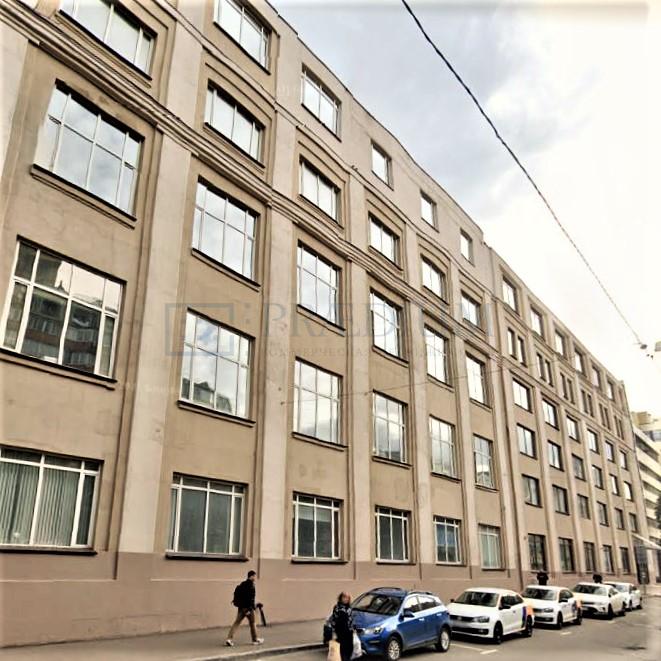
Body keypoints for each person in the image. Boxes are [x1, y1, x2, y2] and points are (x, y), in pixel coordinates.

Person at [225, 570, 264, 647]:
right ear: (251, 576)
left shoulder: (242, 584)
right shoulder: (251, 586)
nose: (255, 578)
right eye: (254, 576)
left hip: (241, 608)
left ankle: (229, 639)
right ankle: (255, 639)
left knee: (236, 623)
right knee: (252, 623)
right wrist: (251, 609)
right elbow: (250, 599)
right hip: (248, 608)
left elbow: (241, 597)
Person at [329, 592, 355, 661]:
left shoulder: (349, 608)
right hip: (340, 633)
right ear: (341, 598)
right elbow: (334, 620)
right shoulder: (337, 608)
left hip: (349, 632)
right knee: (342, 651)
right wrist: (334, 632)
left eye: (348, 597)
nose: (346, 599)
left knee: (349, 649)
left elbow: (351, 619)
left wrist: (353, 629)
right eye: (344, 597)